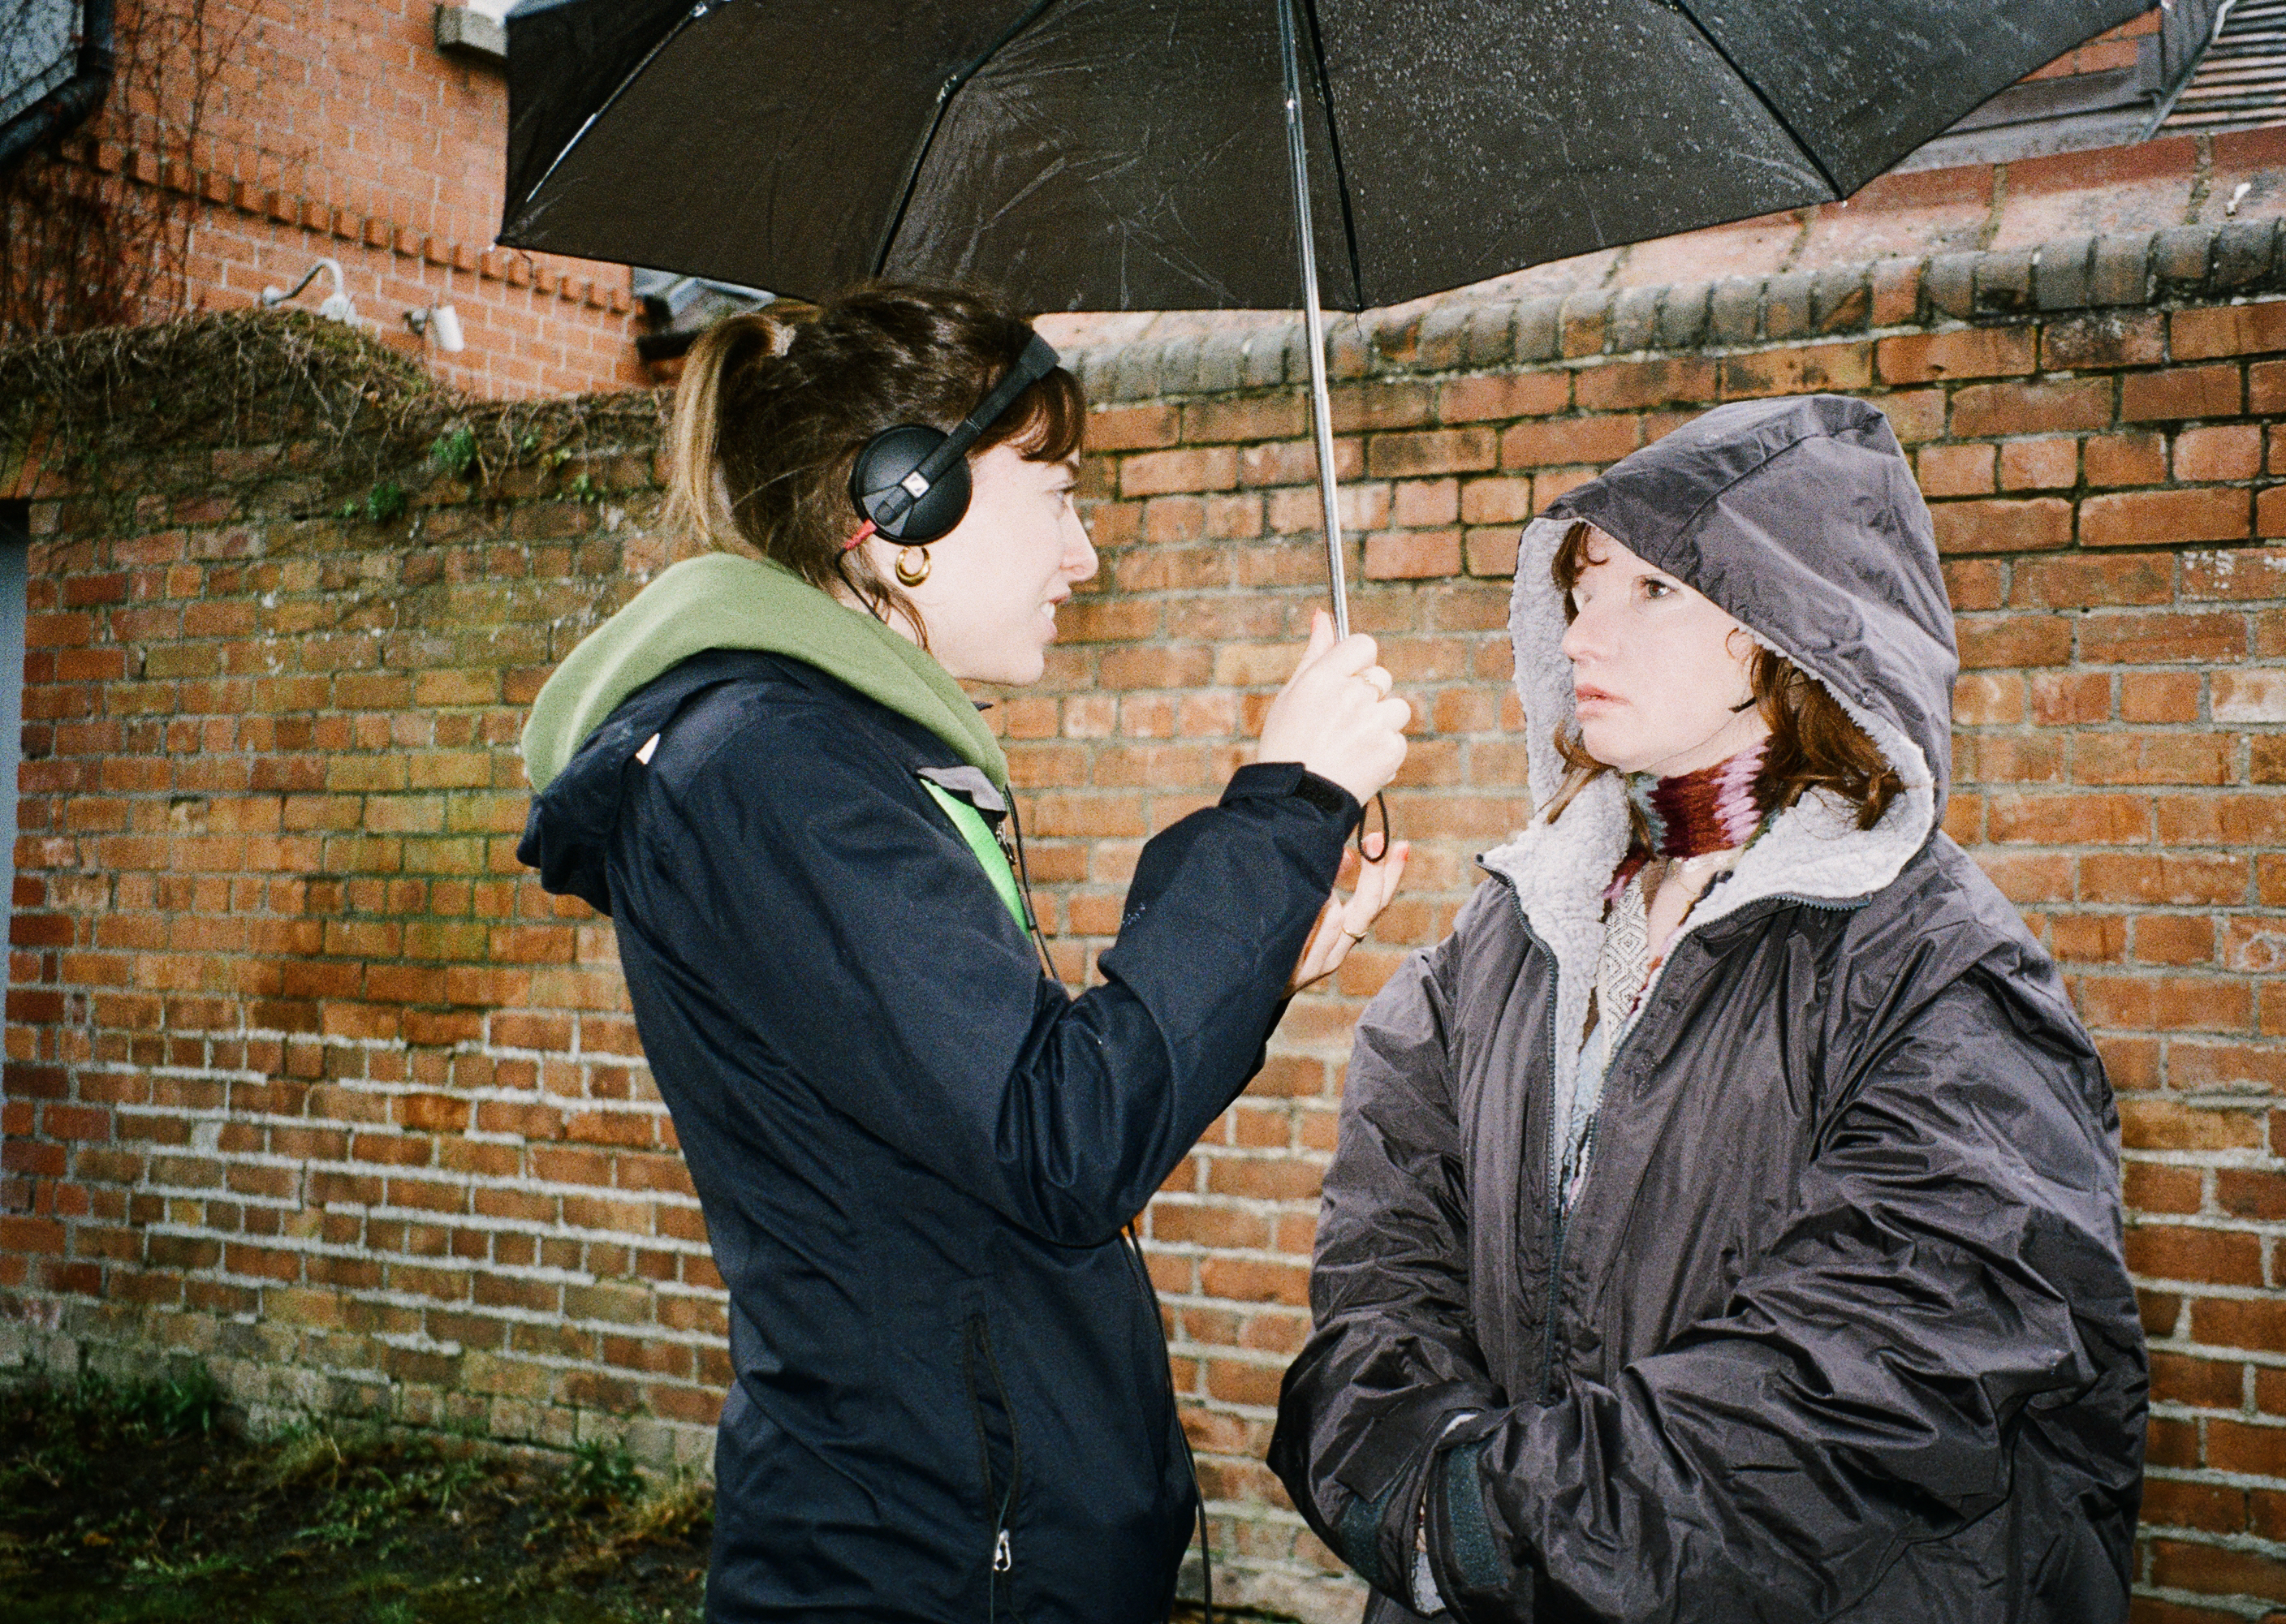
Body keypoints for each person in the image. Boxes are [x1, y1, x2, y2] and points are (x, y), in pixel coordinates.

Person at [516, 283, 1412, 1624]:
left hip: (979, 1543)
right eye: (1054, 492)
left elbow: (1014, 1105)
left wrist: (1262, 954)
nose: (1085, 554)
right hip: (926, 1568)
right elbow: (1063, 1142)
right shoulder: (775, 772)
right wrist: (1282, 807)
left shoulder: (841, 757)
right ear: (902, 508)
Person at [1269, 394, 2145, 1623]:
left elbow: (1889, 1369)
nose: (1583, 636)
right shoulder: (1509, 931)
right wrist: (1417, 1481)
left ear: (1792, 626)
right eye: (1578, 591)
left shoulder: (1938, 969)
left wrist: (1497, 1517)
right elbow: (1381, 1256)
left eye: (1652, 592)